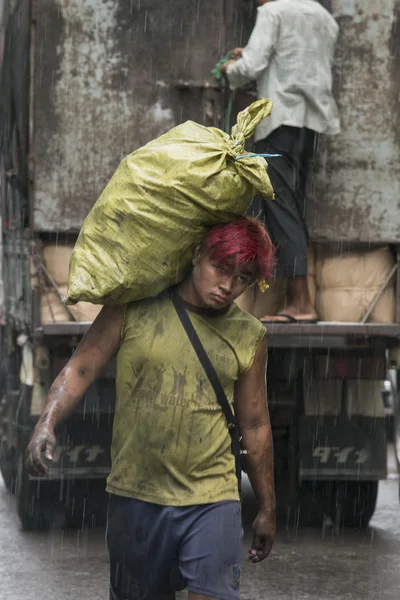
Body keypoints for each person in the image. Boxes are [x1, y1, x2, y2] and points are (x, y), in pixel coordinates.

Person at [26, 217, 276, 600]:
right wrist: (47, 422)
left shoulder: (248, 335)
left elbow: (255, 426)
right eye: (221, 268)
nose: (229, 286)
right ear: (196, 255)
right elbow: (81, 367)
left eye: (243, 277)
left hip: (212, 497)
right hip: (136, 496)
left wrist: (267, 507)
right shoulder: (133, 308)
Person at [222, 0, 340, 323]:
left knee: (279, 204)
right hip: (310, 126)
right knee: (294, 206)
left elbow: (252, 66)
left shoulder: (272, 13)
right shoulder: (324, 18)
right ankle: (299, 299)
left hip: (278, 123)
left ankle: (300, 303)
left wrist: (230, 70)